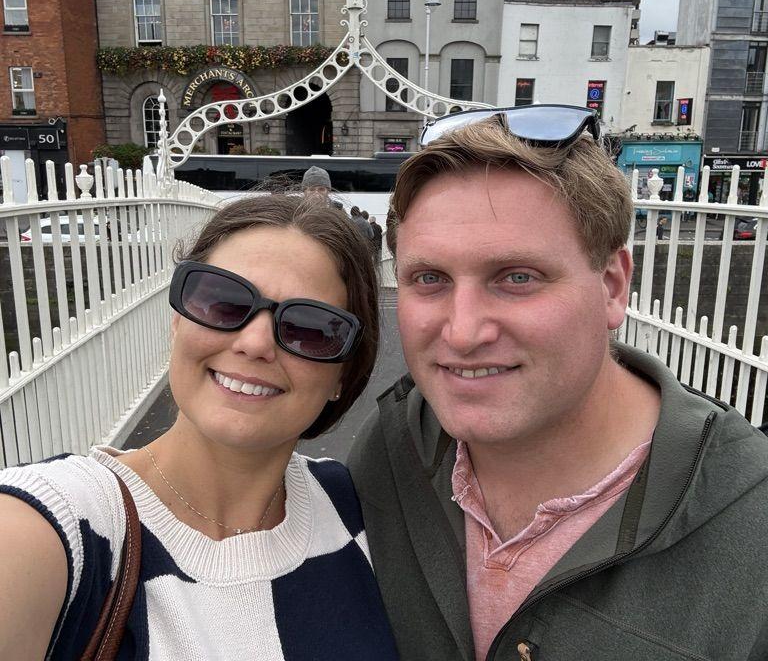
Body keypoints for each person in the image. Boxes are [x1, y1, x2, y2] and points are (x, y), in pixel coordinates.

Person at [348, 105, 768, 661]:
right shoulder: (390, 447)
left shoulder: (750, 521)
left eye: (517, 278)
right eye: (430, 279)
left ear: (613, 287)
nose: (464, 330)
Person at [0, 194, 399, 660]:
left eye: (309, 327)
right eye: (223, 301)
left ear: (343, 375)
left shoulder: (355, 507)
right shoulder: (55, 527)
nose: (254, 343)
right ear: (178, 320)